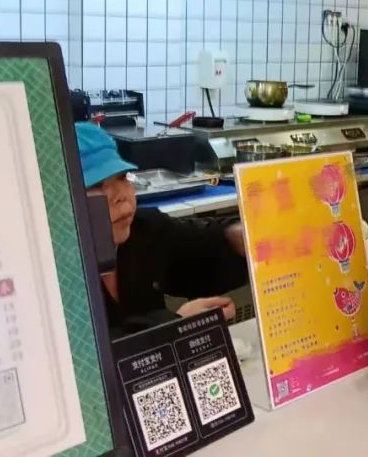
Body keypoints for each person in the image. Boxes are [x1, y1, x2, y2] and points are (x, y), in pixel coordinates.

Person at [75, 122, 250, 337]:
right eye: (96, 185)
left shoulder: (144, 230)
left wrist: (236, 238)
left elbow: (197, 252)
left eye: (122, 177)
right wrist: (175, 323)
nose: (120, 195)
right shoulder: (56, 274)